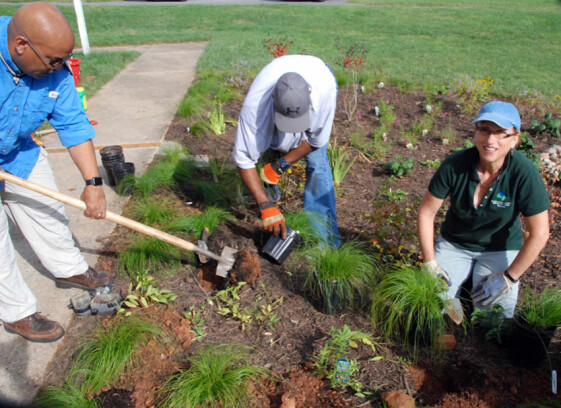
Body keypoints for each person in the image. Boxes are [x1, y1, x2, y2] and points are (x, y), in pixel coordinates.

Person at [0, 2, 110, 342]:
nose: (61, 68)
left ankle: (70, 268)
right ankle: (16, 312)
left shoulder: (55, 71)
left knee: (47, 212)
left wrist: (93, 184)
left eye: (65, 59)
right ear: (21, 45)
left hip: (18, 152)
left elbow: (73, 125)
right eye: (52, 61)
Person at [417, 101, 550, 318]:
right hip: (455, 244)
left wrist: (509, 277)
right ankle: (457, 301)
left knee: (493, 319)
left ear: (515, 139)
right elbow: (427, 212)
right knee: (431, 303)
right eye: (485, 130)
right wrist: (430, 263)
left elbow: (540, 233)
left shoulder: (524, 173)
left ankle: (472, 296)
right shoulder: (455, 165)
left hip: (499, 248)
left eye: (501, 133)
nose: (490, 140)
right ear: (475, 131)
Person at [233, 54, 341, 247]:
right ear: (273, 99)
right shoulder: (256, 107)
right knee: (271, 145)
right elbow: (244, 159)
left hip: (319, 70)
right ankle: (269, 201)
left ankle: (325, 243)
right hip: (274, 87)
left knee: (317, 164)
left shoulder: (322, 95)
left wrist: (282, 165)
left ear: (309, 96)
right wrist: (266, 206)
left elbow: (315, 141)